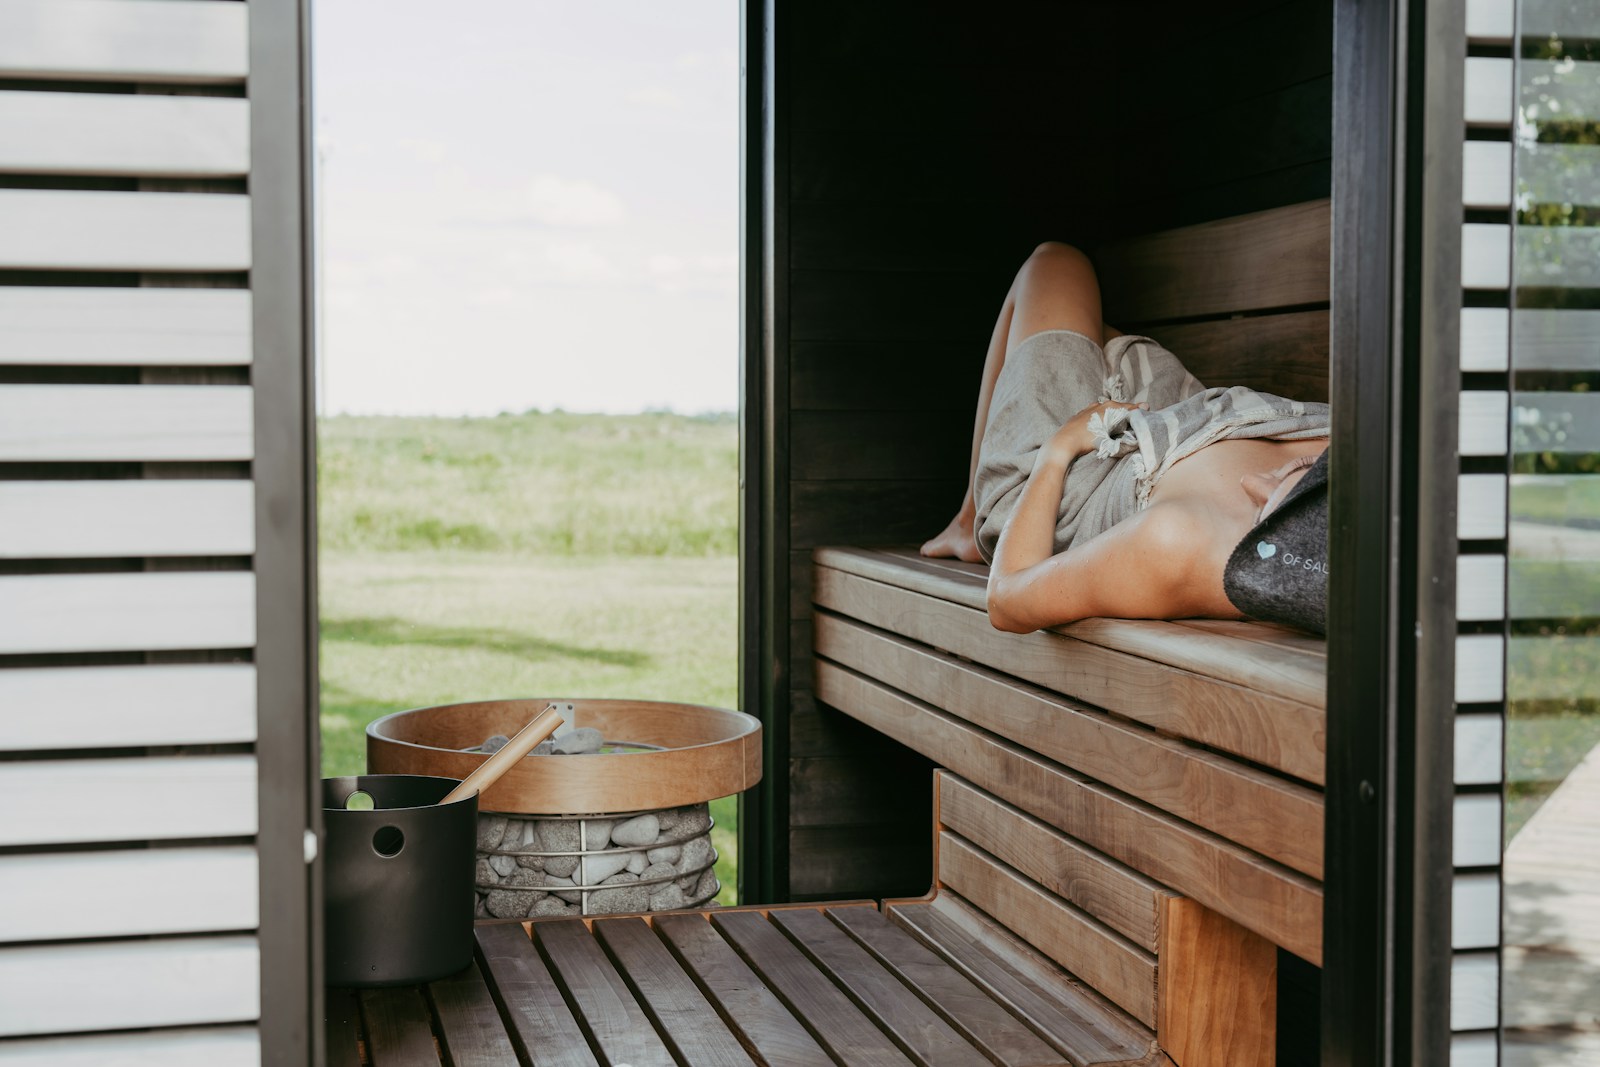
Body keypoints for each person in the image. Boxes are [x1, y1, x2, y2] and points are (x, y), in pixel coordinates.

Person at [920, 241, 1331, 633]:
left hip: (1068, 491)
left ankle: (970, 519)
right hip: (1187, 422)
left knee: (1055, 265)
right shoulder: (1371, 457)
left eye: (1261, 515)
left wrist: (1058, 450)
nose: (1255, 483)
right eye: (1295, 480)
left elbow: (1007, 601)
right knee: (1082, 327)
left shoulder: (1177, 542)